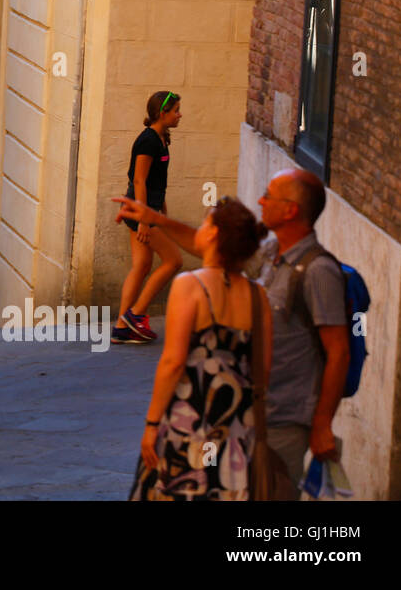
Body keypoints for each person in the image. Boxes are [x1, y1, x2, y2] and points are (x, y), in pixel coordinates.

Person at [115, 168, 350, 499]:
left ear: (290, 210)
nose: (260, 200)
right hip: (246, 418)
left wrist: (323, 423)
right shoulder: (270, 253)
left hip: (282, 420)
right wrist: (158, 220)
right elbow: (217, 251)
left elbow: (339, 351)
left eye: (269, 195)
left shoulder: (318, 271)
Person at [129, 197, 271, 499]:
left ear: (214, 235)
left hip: (189, 418)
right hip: (237, 425)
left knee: (181, 489)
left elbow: (172, 362)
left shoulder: (189, 285)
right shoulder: (259, 296)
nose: (200, 227)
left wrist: (152, 424)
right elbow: (264, 370)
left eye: (206, 222)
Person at [113, 90, 184, 345]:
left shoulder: (162, 138)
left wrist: (161, 202)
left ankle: (122, 327)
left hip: (148, 208)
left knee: (142, 265)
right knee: (173, 261)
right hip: (141, 210)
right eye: (176, 110)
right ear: (162, 113)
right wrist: (144, 219)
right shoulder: (147, 141)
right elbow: (139, 180)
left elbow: (155, 178)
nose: (180, 114)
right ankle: (137, 314)